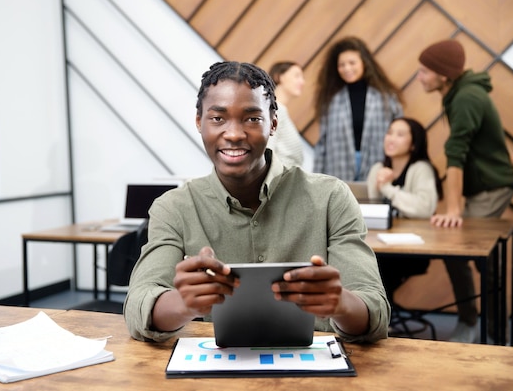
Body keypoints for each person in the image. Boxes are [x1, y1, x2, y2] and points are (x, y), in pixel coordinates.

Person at [124, 61, 390, 343]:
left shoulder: (331, 197)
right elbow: (138, 306)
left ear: (273, 123)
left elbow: (374, 311)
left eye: (252, 118)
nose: (235, 133)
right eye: (218, 118)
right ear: (199, 122)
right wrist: (183, 304)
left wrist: (341, 304)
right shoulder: (173, 208)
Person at [417, 39, 513, 343]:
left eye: (425, 71)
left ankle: (489, 331)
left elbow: (455, 153)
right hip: (481, 185)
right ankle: (476, 324)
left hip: (491, 187)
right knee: (460, 252)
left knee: (468, 250)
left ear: (444, 75)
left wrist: (454, 210)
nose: (419, 76)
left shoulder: (466, 98)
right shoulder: (457, 94)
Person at [366, 117, 443, 301]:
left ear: (413, 144)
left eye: (400, 135)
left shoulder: (421, 168)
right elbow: (371, 211)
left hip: (412, 249)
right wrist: (376, 183)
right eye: (389, 132)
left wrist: (387, 188)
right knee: (364, 262)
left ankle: (381, 318)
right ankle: (378, 317)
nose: (391, 138)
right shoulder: (378, 168)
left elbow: (424, 208)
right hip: (380, 244)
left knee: (379, 267)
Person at [313, 36, 404, 181]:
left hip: (378, 168)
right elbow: (322, 144)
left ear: (364, 63)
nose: (347, 68)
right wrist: (315, 179)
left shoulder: (387, 98)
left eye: (352, 63)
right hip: (338, 169)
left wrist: (398, 170)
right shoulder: (330, 100)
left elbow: (401, 136)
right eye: (341, 65)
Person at [266, 61, 305, 168]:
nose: (302, 82)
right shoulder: (275, 110)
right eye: (297, 76)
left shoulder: (280, 111)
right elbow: (267, 153)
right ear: (279, 77)